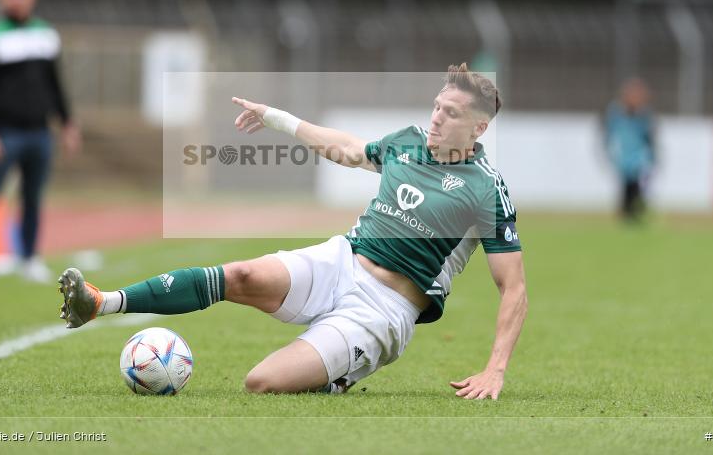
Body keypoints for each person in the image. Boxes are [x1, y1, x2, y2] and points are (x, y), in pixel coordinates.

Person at [59, 64, 527, 398]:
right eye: (437, 106)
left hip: (384, 309)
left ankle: (340, 373)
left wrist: (495, 370)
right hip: (340, 260)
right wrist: (277, 118)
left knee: (261, 382)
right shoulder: (407, 142)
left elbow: (513, 288)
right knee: (239, 275)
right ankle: (101, 303)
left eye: (451, 113)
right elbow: (346, 148)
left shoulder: (486, 190)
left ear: (479, 127)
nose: (437, 118)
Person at [0, 0, 80, 287]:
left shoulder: (45, 35)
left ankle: (28, 257)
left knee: (33, 196)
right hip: (4, 131)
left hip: (39, 131)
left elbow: (54, 85)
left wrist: (67, 122)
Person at [604, 77, 655, 222]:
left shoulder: (644, 114)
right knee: (626, 184)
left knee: (636, 184)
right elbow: (610, 132)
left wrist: (652, 154)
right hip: (623, 155)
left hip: (638, 156)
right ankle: (627, 212)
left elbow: (648, 136)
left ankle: (634, 211)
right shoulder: (616, 113)